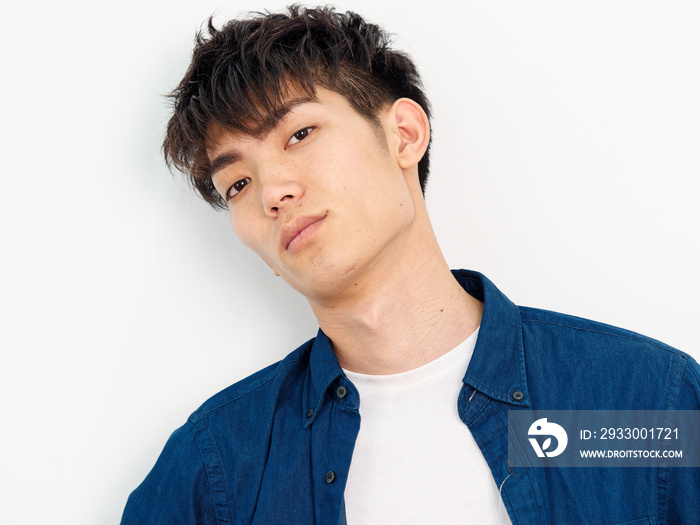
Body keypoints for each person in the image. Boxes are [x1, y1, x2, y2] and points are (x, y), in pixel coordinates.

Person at [121, 6, 700, 524]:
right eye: (238, 183)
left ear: (404, 134)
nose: (273, 191)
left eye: (300, 133)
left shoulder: (643, 402)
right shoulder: (214, 468)